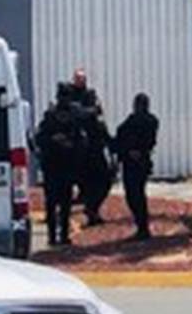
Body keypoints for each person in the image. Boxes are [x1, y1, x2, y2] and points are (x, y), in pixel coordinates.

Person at [35, 84, 85, 246]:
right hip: (52, 165)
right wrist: (53, 140)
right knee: (52, 203)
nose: (63, 100)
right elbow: (39, 139)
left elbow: (82, 141)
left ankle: (63, 235)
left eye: (66, 96)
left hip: (67, 165)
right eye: (61, 96)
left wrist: (70, 144)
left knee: (65, 203)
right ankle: (52, 236)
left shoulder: (74, 118)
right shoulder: (50, 117)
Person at [67, 68, 111, 226]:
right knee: (81, 182)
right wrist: (87, 112)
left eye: (83, 79)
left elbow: (96, 112)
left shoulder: (90, 94)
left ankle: (92, 209)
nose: (81, 82)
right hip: (76, 148)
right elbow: (75, 113)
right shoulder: (69, 95)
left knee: (104, 181)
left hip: (94, 146)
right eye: (78, 79)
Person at [113, 93, 160, 241]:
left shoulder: (148, 121)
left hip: (138, 161)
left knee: (136, 195)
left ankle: (143, 228)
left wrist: (135, 150)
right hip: (132, 159)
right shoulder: (135, 120)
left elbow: (148, 140)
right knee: (134, 195)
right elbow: (121, 135)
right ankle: (141, 226)